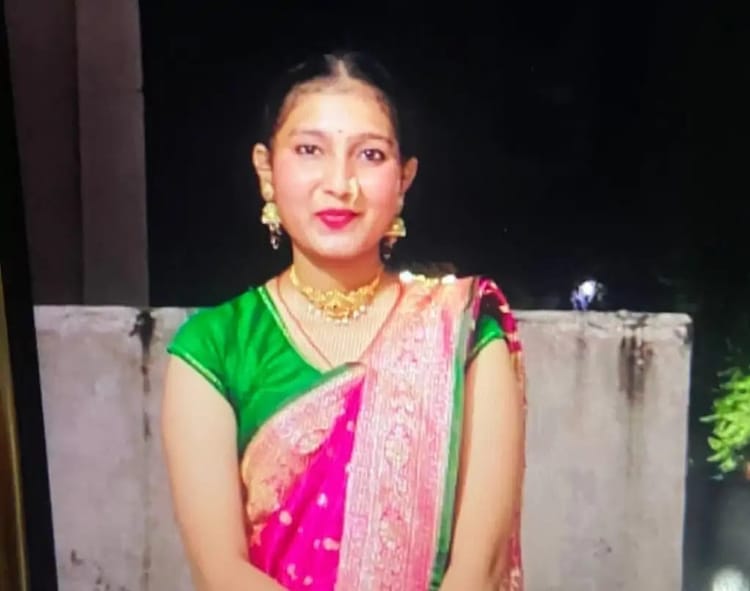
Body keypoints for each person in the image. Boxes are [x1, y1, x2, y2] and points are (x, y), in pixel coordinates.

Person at [161, 50, 527, 591]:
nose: (340, 183)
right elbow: (221, 572)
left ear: (404, 179)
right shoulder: (214, 349)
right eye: (310, 150)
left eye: (370, 155)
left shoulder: (467, 333)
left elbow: (481, 569)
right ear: (266, 169)